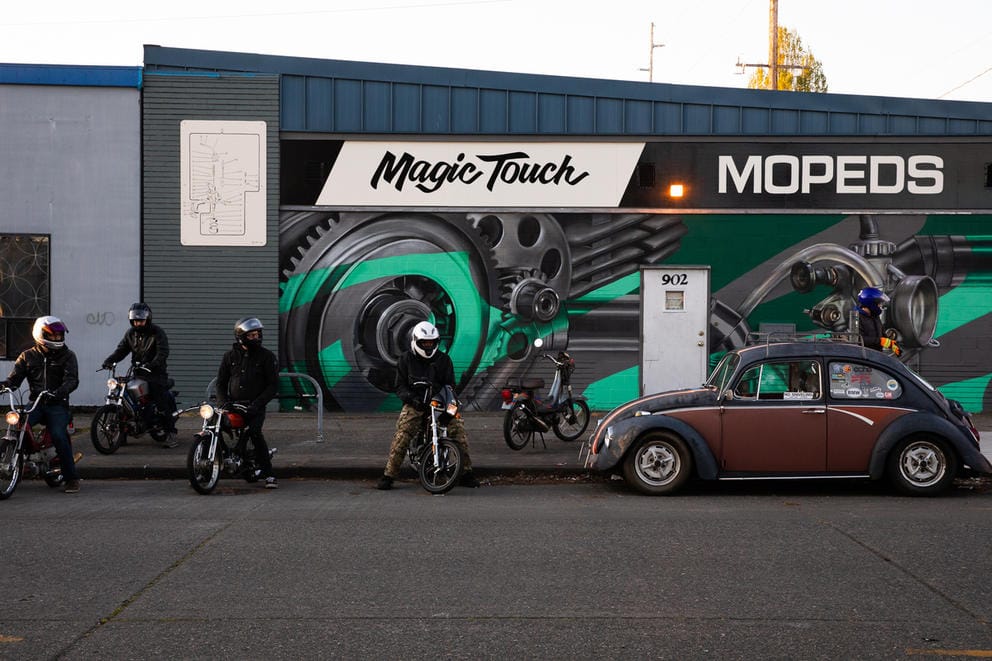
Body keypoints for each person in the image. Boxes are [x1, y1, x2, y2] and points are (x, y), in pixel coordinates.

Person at [377, 321, 479, 490]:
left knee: (458, 429)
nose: (428, 346)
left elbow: (451, 386)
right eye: (424, 343)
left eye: (431, 343)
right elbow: (400, 387)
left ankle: (466, 473)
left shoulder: (444, 360)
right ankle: (389, 475)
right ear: (416, 341)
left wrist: (450, 407)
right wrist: (412, 399)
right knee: (403, 433)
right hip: (415, 404)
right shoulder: (406, 359)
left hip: (439, 403)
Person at [1, 316, 81, 493]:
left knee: (59, 435)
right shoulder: (28, 356)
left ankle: (72, 479)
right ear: (40, 334)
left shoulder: (68, 356)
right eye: (52, 336)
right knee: (17, 426)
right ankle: (18, 464)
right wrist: (4, 385)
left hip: (57, 404)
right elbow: (14, 379)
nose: (57, 339)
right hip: (35, 403)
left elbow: (72, 380)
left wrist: (59, 392)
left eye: (59, 336)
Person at [102, 302, 179, 448]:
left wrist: (151, 365)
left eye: (141, 320)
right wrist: (109, 361)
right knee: (124, 398)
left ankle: (171, 433)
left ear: (148, 319)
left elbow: (163, 353)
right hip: (137, 372)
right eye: (135, 320)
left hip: (156, 373)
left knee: (160, 400)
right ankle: (122, 434)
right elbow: (121, 350)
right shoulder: (130, 334)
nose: (138, 323)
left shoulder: (157, 333)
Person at [215, 317, 279, 488]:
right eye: (251, 335)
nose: (256, 338)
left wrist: (258, 404)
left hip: (255, 406)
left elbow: (273, 386)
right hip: (233, 405)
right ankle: (212, 466)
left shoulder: (267, 356)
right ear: (241, 337)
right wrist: (223, 402)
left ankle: (269, 474)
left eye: (257, 334)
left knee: (255, 432)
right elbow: (220, 382)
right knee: (215, 426)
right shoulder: (229, 356)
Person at [856, 287, 901, 356]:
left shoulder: (875, 316)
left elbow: (882, 334)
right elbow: (858, 339)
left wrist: (892, 344)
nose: (880, 305)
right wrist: (880, 341)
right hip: (863, 357)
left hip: (877, 356)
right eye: (878, 303)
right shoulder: (856, 317)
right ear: (870, 303)